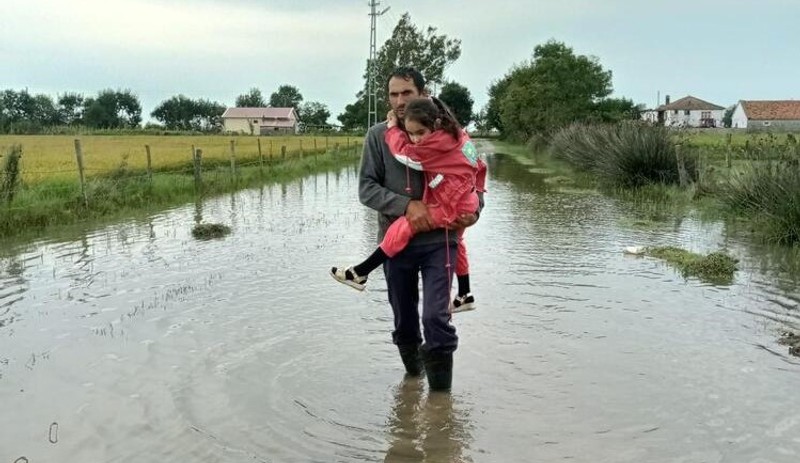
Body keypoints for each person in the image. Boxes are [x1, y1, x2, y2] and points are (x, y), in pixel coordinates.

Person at [338, 67, 483, 391]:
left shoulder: (455, 136)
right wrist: (406, 206)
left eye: (406, 93)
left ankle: (441, 401)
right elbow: (366, 188)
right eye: (393, 94)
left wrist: (474, 214)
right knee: (404, 322)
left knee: (435, 317)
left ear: (423, 94)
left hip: (440, 240)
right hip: (396, 244)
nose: (400, 100)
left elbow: (474, 178)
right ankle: (412, 385)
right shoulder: (378, 137)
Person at [330, 96, 486, 316]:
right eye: (411, 134)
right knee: (458, 241)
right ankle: (465, 293)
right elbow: (479, 167)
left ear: (436, 124)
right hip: (464, 200)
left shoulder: (435, 146)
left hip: (452, 204)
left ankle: (361, 271)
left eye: (420, 133)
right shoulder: (459, 136)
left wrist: (393, 129)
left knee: (405, 225)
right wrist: (475, 204)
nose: (415, 139)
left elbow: (405, 155)